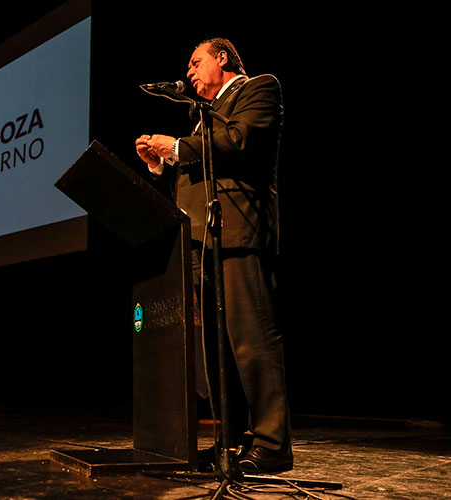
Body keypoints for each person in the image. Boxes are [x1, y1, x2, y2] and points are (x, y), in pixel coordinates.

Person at [135, 38, 291, 474]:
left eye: (195, 61)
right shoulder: (201, 117)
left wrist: (178, 148)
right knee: (216, 351)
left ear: (222, 59)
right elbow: (198, 176)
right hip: (200, 240)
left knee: (251, 342)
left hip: (239, 233)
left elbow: (241, 141)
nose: (188, 71)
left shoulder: (259, 88)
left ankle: (272, 443)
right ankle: (229, 443)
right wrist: (160, 162)